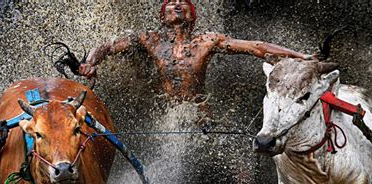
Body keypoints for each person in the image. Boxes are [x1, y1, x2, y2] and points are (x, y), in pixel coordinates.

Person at [79, 0, 314, 118]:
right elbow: (107, 46)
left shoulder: (207, 41)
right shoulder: (149, 40)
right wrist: (90, 63)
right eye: (172, 2)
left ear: (193, 15)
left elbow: (257, 47)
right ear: (163, 16)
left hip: (200, 116)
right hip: (168, 117)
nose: (178, 4)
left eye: (183, 2)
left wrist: (301, 56)